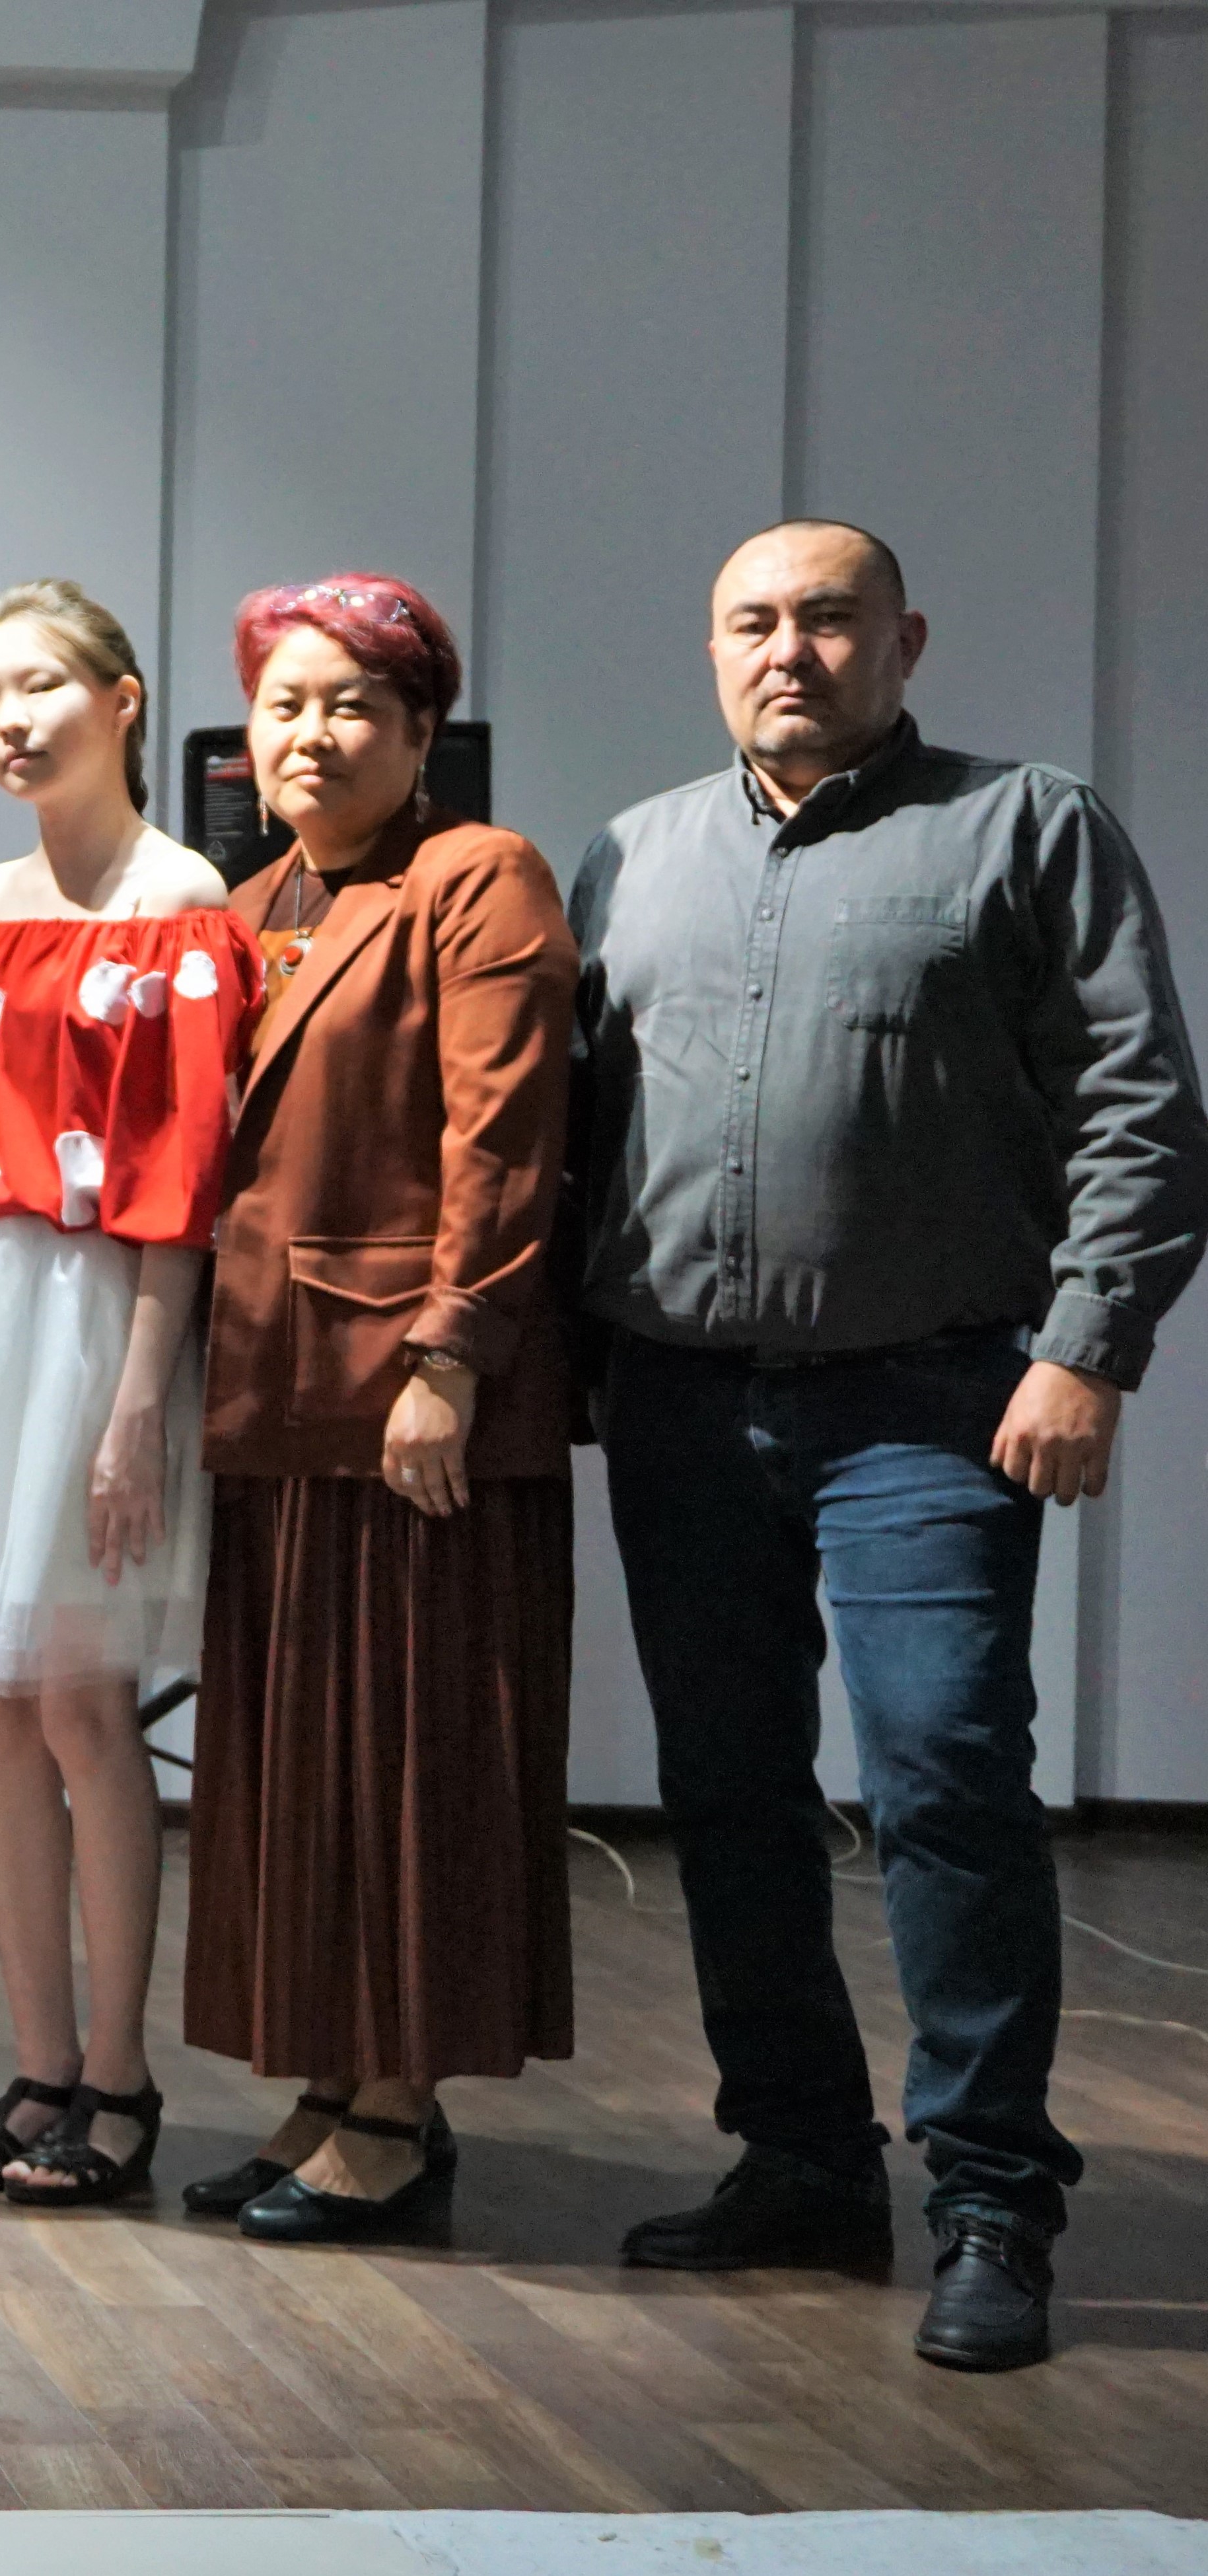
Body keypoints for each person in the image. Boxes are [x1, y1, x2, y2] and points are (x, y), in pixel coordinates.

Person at [571, 520, 1208, 2372]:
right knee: (728, 1788)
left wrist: (1085, 1351)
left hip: (931, 1399)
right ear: (712, 650)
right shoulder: (633, 853)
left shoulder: (1026, 827)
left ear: (903, 640)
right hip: (682, 1400)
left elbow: (1143, 1107)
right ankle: (799, 2159)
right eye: (753, 622)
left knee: (942, 1777)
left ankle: (992, 2201)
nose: (790, 650)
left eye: (828, 618)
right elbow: (578, 1127)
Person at [0, 579, 258, 2205]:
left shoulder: (180, 897)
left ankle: (120, 2077)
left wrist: (138, 1400)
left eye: (40, 688)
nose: (9, 722)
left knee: (82, 1703)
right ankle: (33, 2065)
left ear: (122, 700)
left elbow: (178, 1173)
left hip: (96, 1317)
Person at [180, 573, 580, 2242]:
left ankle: (400, 2107)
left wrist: (448, 1359)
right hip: (268, 1388)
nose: (310, 734)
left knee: (414, 1757)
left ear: (421, 732)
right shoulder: (243, 902)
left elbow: (504, 1135)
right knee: (296, 1763)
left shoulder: (472, 876)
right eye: (283, 704)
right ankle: (327, 2079)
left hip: (412, 1400)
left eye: (350, 705)